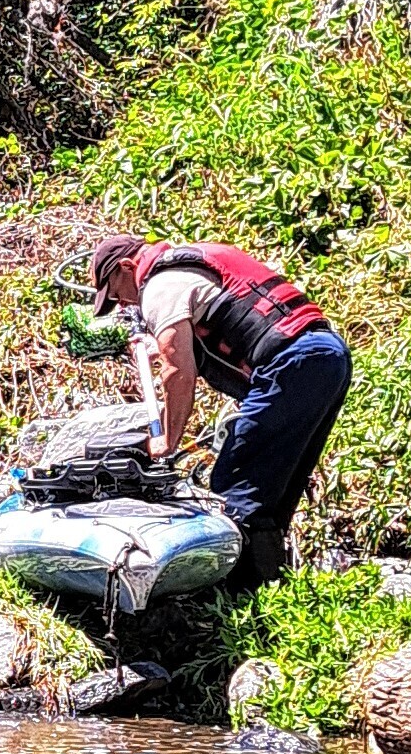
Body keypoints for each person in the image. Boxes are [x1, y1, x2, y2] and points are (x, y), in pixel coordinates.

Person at [85, 233, 351, 588]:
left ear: (127, 266)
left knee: (234, 487)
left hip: (290, 364)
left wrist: (167, 440)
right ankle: (275, 588)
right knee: (272, 490)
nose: (122, 305)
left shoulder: (158, 287)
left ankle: (240, 597)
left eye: (117, 293)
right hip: (327, 355)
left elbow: (177, 372)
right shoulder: (187, 265)